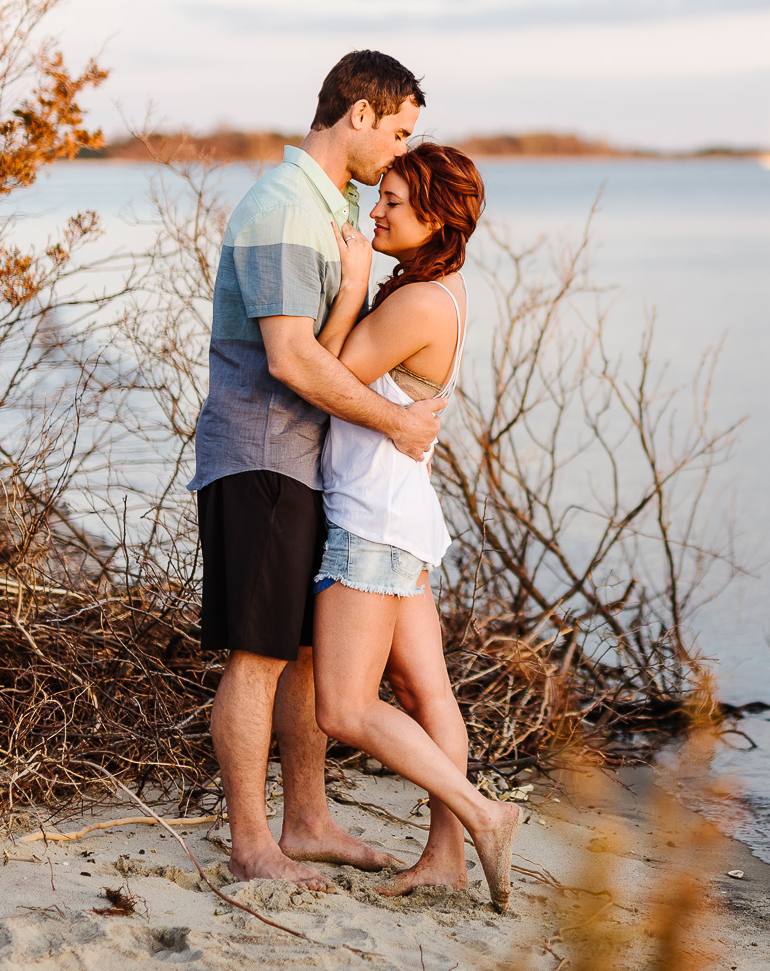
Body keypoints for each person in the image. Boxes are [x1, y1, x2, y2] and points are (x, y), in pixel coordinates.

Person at [189, 50, 440, 889]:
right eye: (400, 133)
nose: (402, 154)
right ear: (359, 115)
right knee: (257, 655)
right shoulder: (284, 210)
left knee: (298, 650)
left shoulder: (327, 208)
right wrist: (399, 421)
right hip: (260, 455)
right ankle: (252, 845)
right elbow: (293, 360)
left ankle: (308, 821)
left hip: (305, 466)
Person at [307, 142, 522, 911]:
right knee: (425, 690)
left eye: (393, 201)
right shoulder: (445, 290)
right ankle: (446, 860)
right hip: (404, 514)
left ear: (434, 213)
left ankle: (483, 815)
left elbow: (321, 373)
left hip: (371, 520)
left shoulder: (416, 301)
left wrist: (351, 286)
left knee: (344, 707)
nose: (376, 210)